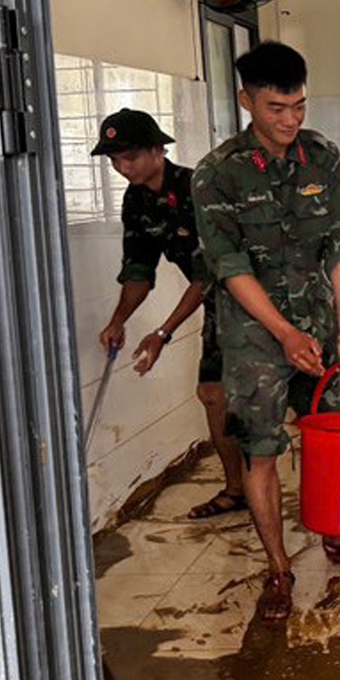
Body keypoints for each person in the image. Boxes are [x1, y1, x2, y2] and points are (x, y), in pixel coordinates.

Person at [192, 41, 340, 624]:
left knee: (333, 436)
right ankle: (279, 566)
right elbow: (229, 267)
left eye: (299, 106)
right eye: (277, 108)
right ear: (246, 101)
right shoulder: (218, 174)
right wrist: (282, 333)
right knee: (260, 448)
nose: (290, 120)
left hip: (320, 323)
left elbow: (338, 242)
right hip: (255, 333)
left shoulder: (321, 157)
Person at [95, 108, 246, 520]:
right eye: (113, 160)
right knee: (213, 394)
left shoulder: (200, 189)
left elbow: (207, 273)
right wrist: (118, 320)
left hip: (257, 297)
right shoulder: (137, 200)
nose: (120, 168)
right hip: (218, 302)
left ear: (158, 150)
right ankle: (237, 491)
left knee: (274, 395)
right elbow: (140, 271)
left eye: (128, 157)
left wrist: (162, 333)